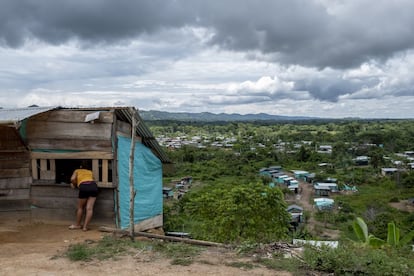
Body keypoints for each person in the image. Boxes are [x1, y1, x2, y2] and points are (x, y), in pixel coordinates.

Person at [68, 160, 98, 231]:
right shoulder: (90, 172)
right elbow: (93, 179)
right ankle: (85, 227)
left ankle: (78, 225)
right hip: (93, 186)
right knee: (89, 208)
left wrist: (74, 184)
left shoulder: (77, 170)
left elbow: (72, 179)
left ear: (80, 166)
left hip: (84, 187)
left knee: (80, 207)